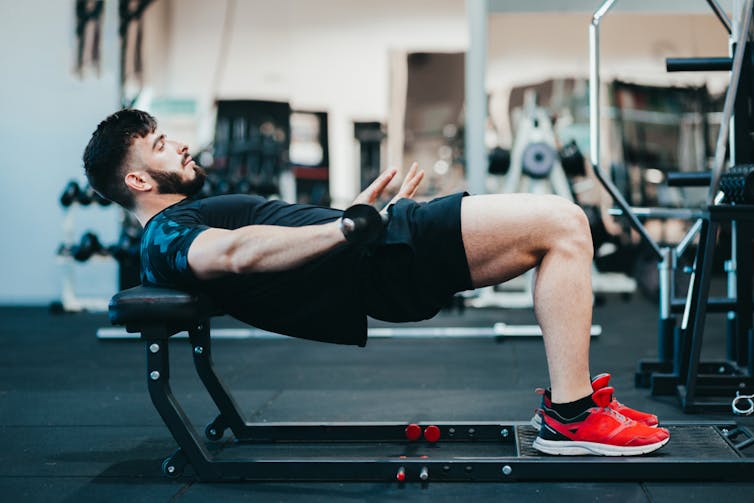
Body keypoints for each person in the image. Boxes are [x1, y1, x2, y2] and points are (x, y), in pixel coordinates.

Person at [83, 109, 669, 456]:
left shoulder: (178, 218)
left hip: (383, 249)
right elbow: (234, 254)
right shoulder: (163, 237)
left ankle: (573, 406)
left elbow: (269, 241)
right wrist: (347, 230)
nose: (179, 143)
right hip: (382, 255)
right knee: (564, 222)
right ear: (136, 177)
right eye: (160, 144)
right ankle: (571, 414)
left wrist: (349, 215)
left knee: (558, 236)